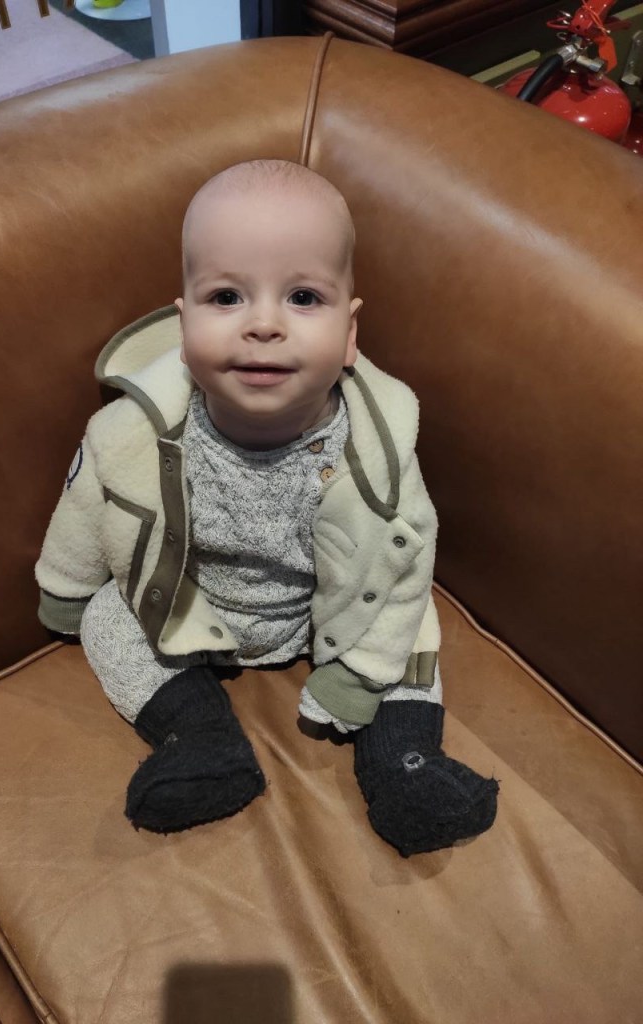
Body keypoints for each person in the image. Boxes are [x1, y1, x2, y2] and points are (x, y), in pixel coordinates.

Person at [35, 159, 498, 857]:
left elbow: (404, 559)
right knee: (108, 614)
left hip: (329, 613)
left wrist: (358, 675)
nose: (263, 324)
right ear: (184, 324)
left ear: (350, 332)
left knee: (411, 618)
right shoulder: (133, 433)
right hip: (193, 610)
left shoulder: (376, 449)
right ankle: (199, 738)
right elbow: (86, 505)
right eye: (226, 297)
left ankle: (405, 760)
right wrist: (66, 587)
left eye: (303, 297)